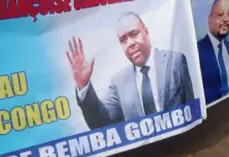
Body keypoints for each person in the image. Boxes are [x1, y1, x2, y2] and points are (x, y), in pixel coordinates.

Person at [66, 12, 195, 129]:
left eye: (134, 34)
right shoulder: (118, 83)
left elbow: (192, 110)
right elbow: (100, 122)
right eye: (123, 40)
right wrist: (83, 86)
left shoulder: (175, 61)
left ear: (146, 32)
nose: (130, 43)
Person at [197, 0, 229, 104]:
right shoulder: (198, 51)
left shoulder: (228, 46)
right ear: (210, 19)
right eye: (220, 14)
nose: (226, 19)